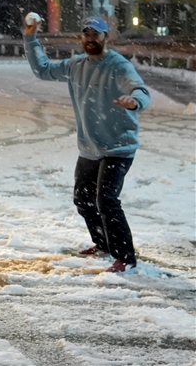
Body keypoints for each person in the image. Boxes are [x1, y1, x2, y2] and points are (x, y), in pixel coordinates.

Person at [23, 16, 150, 273]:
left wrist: (134, 101)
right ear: (81, 38)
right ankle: (103, 244)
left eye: (96, 34)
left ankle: (125, 257)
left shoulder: (117, 65)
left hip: (118, 146)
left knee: (107, 200)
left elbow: (140, 89)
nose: (91, 39)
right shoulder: (76, 65)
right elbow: (43, 70)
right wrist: (30, 38)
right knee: (83, 199)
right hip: (90, 148)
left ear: (106, 38)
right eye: (87, 35)